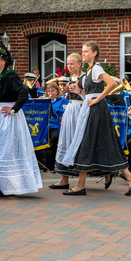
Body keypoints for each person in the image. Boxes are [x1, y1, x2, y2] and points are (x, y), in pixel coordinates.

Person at [55, 42, 131, 196]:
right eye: (82, 51)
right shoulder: (89, 71)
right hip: (91, 109)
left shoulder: (96, 68)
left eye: (86, 51)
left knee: (86, 143)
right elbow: (89, 94)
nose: (83, 54)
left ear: (94, 53)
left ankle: (81, 186)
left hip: (96, 110)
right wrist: (79, 91)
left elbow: (112, 83)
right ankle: (130, 177)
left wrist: (98, 99)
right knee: (105, 144)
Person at [0, 46, 43, 196]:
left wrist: (14, 109)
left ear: (3, 61)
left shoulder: (10, 75)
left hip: (5, 118)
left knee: (4, 151)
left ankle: (8, 186)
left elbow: (23, 92)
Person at [52, 54, 86, 190]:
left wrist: (79, 91)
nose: (69, 66)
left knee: (76, 141)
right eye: (68, 64)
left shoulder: (84, 78)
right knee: (64, 141)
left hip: (79, 111)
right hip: (70, 110)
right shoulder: (71, 78)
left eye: (72, 64)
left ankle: (80, 179)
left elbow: (89, 97)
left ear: (79, 64)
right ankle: (63, 178)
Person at [37, 80, 66, 172]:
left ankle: (52, 165)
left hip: (56, 126)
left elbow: (63, 113)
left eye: (52, 91)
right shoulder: (44, 100)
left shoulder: (63, 101)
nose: (50, 93)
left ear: (57, 91)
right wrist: (40, 103)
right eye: (48, 91)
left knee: (54, 138)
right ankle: (41, 164)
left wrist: (51, 105)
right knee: (37, 139)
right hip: (44, 126)